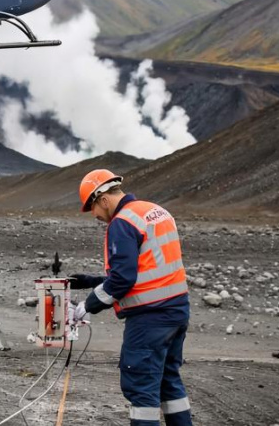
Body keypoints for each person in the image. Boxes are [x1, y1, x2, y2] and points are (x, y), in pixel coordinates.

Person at [71, 169, 192, 426]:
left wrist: (87, 305)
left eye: (92, 207)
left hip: (150, 320)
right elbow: (147, 270)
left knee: (142, 388)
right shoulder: (154, 211)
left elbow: (123, 279)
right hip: (177, 312)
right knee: (169, 382)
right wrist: (91, 281)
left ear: (103, 199)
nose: (94, 215)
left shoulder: (122, 222)